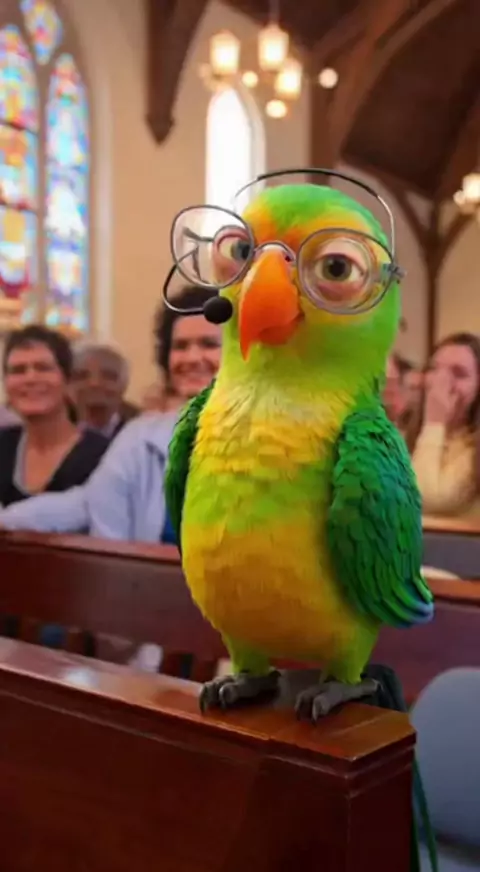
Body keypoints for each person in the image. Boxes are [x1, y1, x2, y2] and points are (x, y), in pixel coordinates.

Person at [0, 286, 222, 538]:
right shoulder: (141, 438)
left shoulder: (259, 437)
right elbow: (90, 502)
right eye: (180, 346)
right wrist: (7, 520)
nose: (192, 358)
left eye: (209, 344)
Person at [0, 325, 109, 508]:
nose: (30, 379)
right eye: (18, 370)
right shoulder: (3, 445)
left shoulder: (103, 455)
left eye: (43, 368)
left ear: (67, 380)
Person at [411, 332, 480, 517]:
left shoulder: (473, 448)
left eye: (459, 373)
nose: (440, 383)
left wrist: (434, 421)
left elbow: (425, 501)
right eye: (434, 369)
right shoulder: (408, 435)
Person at [71, 341, 137, 440]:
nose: (94, 384)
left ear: (124, 385)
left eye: (108, 376)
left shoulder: (141, 435)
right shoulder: (54, 435)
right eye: (82, 376)